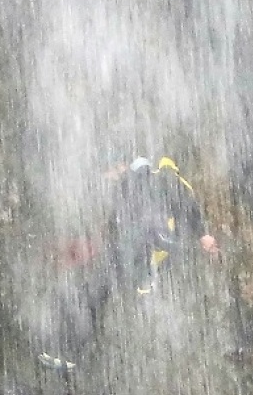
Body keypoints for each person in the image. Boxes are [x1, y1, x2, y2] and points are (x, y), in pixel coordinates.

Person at [44, 154, 220, 365]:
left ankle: (70, 353)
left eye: (109, 171)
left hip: (141, 249)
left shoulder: (147, 179)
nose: (107, 177)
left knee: (93, 295)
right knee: (91, 295)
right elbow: (119, 224)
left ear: (121, 165)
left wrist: (202, 233)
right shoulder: (130, 187)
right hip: (133, 251)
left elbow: (181, 200)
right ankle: (69, 353)